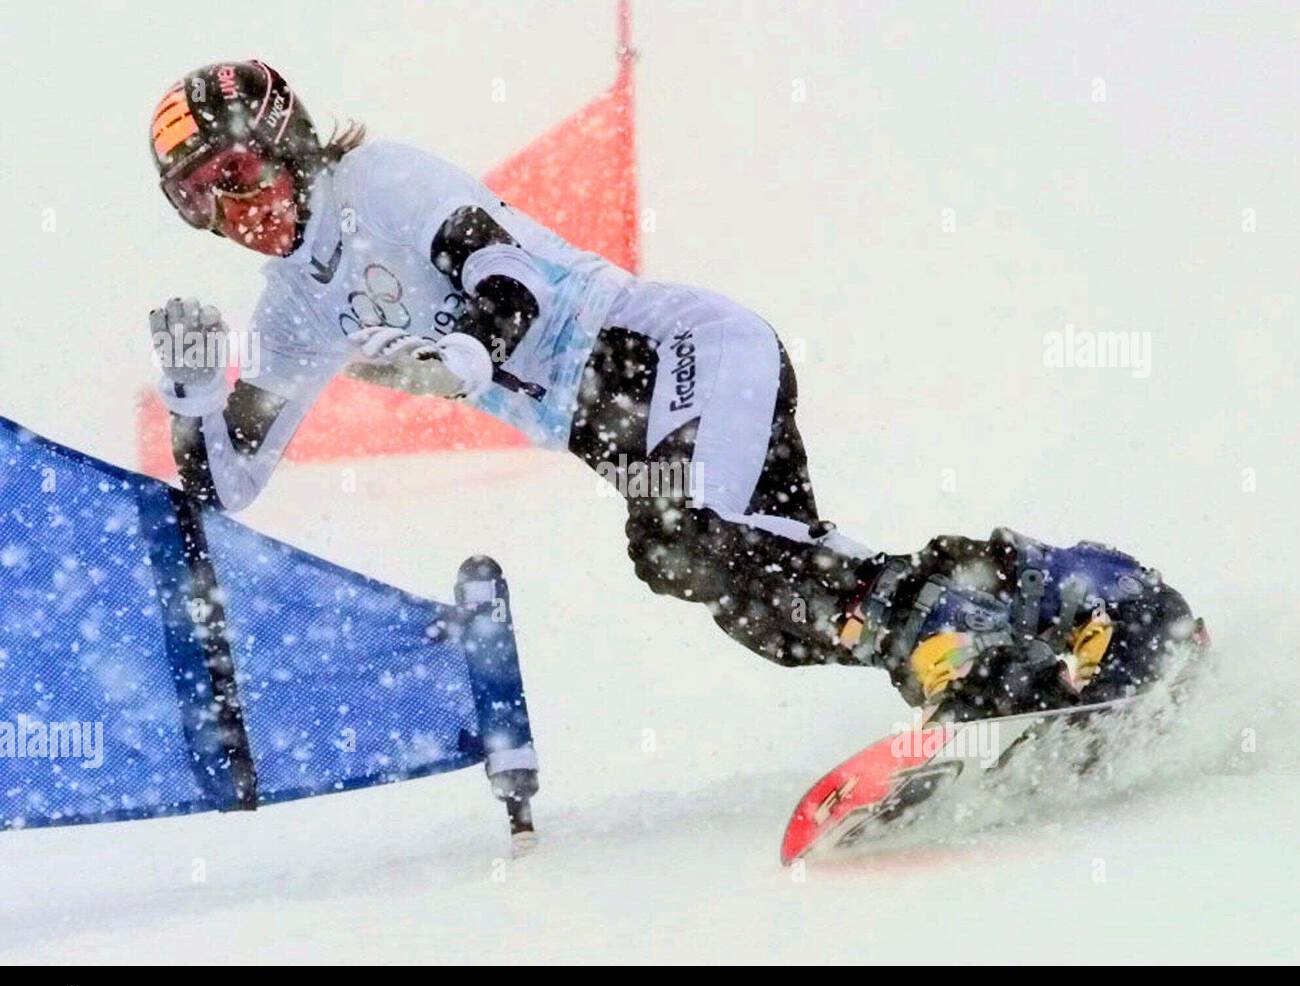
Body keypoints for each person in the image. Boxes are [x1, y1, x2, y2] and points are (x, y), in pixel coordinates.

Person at [148, 61, 1206, 725]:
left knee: (688, 540)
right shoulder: (290, 311)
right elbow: (229, 486)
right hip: (609, 429)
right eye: (197, 203)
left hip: (668, 356)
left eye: (234, 177)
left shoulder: (378, 183)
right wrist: (197, 401)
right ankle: (1033, 605)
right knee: (761, 598)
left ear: (287, 145)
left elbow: (504, 278)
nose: (228, 211)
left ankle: (971, 635)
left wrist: (463, 359)